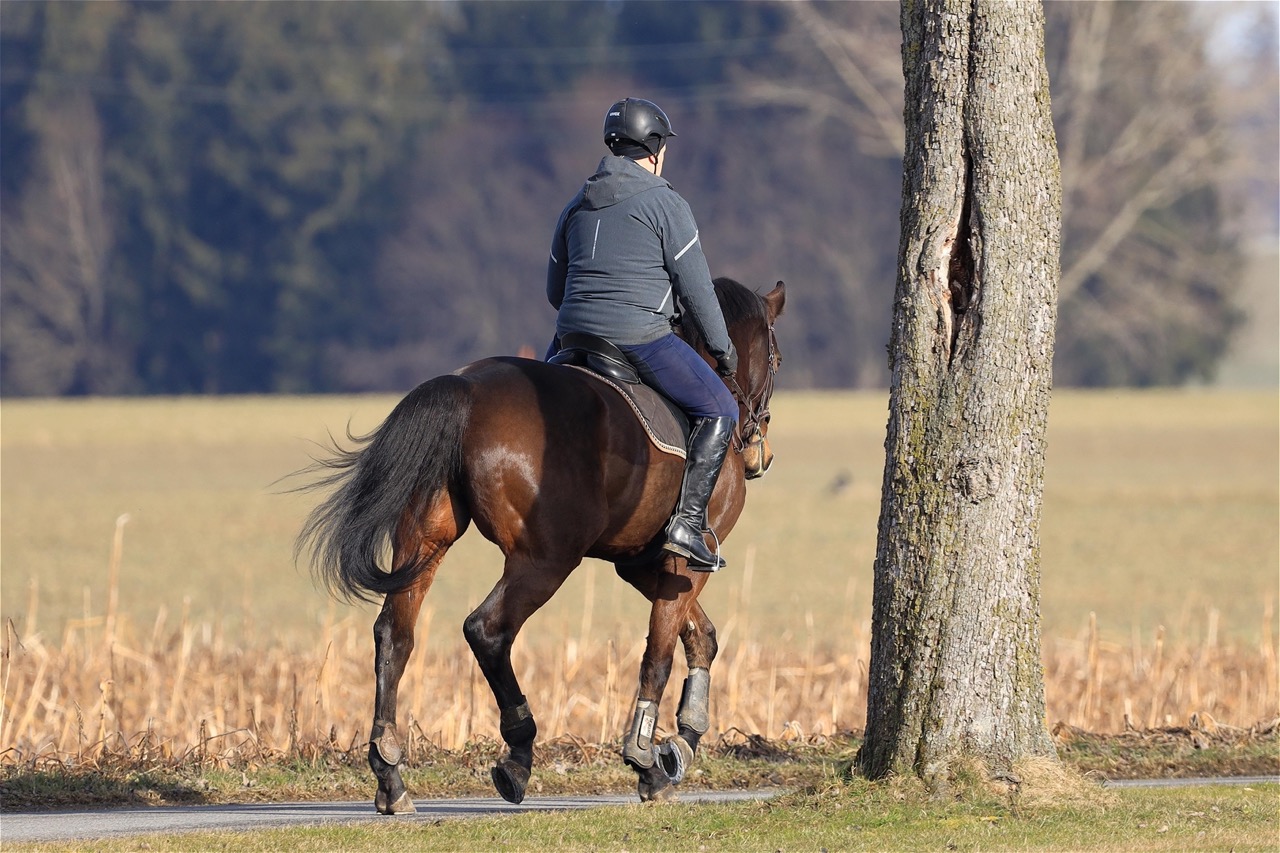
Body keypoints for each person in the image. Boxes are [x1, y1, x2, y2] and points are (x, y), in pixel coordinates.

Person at [546, 97, 738, 571]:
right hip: (640, 338)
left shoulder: (575, 205)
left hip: (570, 341)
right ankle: (687, 525)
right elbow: (697, 292)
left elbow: (555, 291)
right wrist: (723, 349)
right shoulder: (666, 203)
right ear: (653, 148)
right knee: (721, 409)